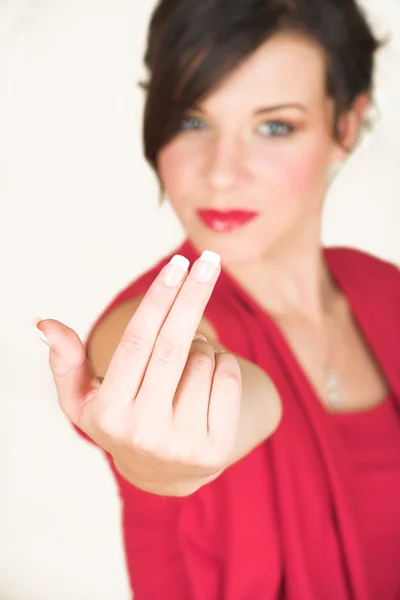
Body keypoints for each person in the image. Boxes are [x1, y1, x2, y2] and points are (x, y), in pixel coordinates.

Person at [36, 0, 400, 598]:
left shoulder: (383, 290)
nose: (222, 173)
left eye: (274, 126)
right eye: (192, 120)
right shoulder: (151, 321)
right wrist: (164, 461)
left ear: (346, 126)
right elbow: (221, 391)